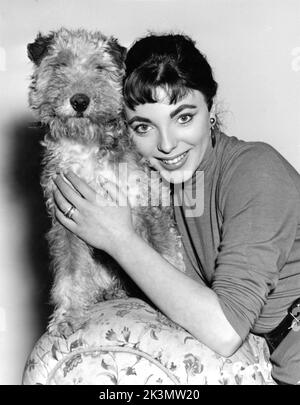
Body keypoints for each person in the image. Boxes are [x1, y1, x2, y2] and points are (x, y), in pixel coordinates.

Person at [52, 33, 300, 385]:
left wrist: (118, 238)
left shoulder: (256, 170)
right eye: (144, 126)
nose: (167, 145)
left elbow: (225, 330)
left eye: (183, 117)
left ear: (210, 109)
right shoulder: (161, 187)